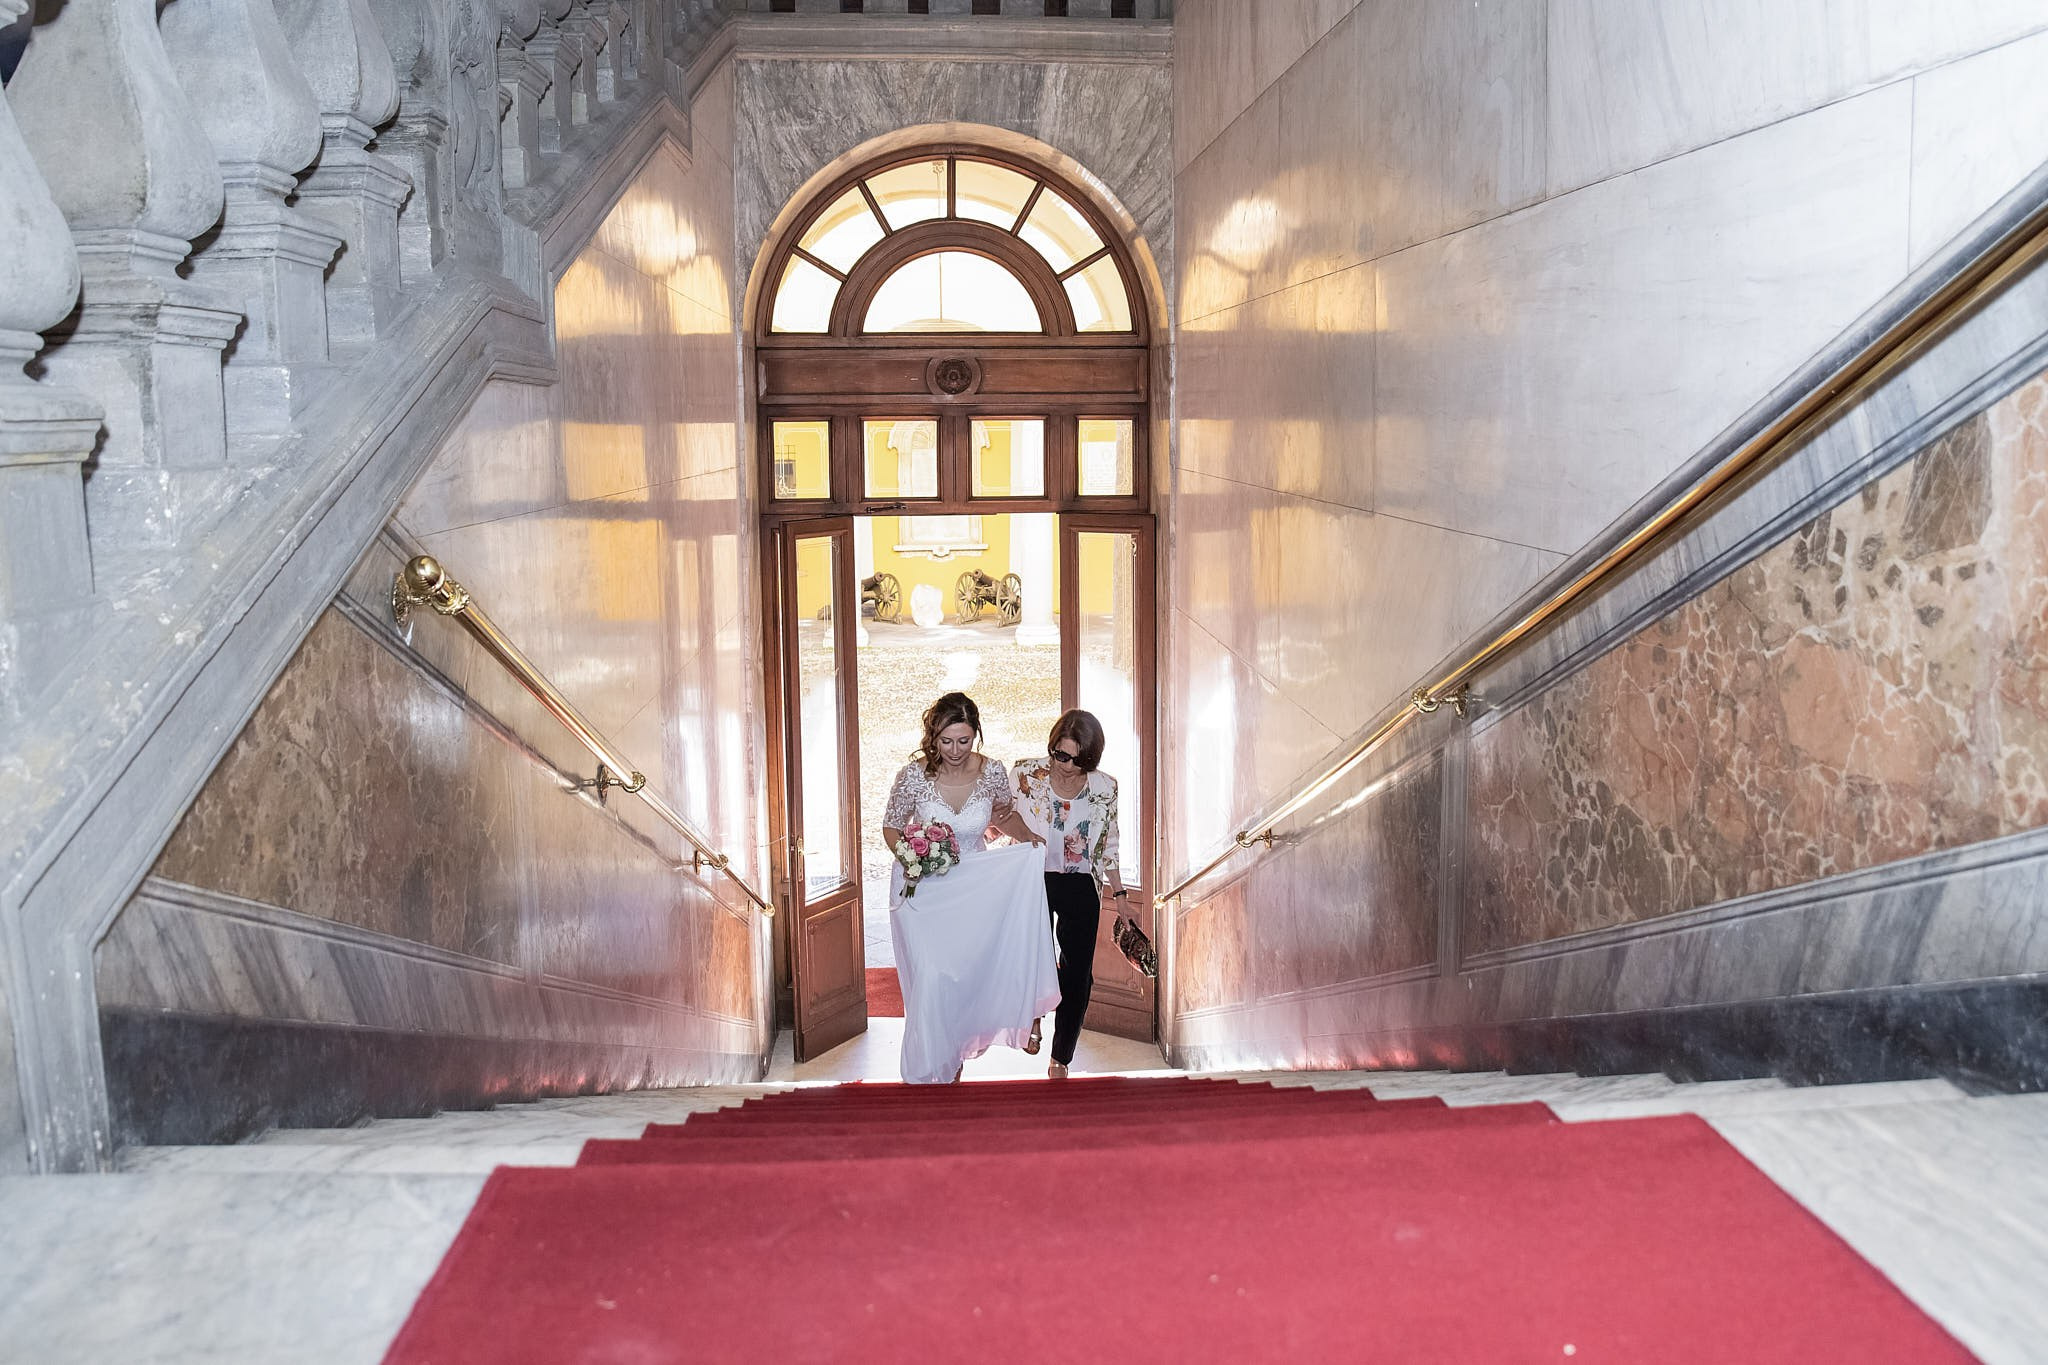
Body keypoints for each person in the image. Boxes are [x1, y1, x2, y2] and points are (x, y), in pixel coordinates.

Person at [882, 692, 1060, 1084]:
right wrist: (909, 857)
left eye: (963, 740)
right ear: (933, 736)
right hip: (923, 891)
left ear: (976, 734)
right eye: (946, 741)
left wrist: (1028, 838)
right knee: (933, 976)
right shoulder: (913, 776)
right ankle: (931, 1067)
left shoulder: (992, 772)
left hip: (974, 888)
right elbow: (891, 826)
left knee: (964, 976)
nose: (955, 750)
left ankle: (954, 1055)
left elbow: (1004, 817)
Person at [1009, 710, 1130, 1079]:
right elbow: (1002, 818)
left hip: (1081, 883)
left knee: (1078, 975)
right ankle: (1033, 1016)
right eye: (1060, 755)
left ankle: (1061, 1057)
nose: (1066, 766)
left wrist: (1120, 895)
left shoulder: (1105, 787)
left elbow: (1108, 843)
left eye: (1078, 760)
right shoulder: (1026, 775)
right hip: (1034, 877)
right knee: (1034, 957)